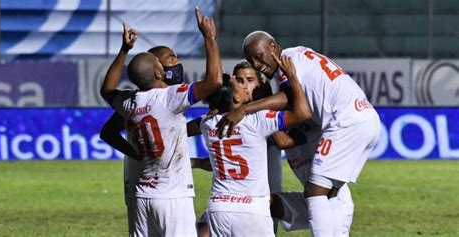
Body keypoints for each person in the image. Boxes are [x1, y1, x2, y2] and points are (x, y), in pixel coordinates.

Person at [216, 31, 381, 237]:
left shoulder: (288, 64)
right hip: (364, 118)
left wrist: (246, 109)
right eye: (251, 60)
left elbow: (288, 100)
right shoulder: (301, 57)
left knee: (316, 192)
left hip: (345, 121)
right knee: (327, 193)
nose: (257, 64)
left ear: (273, 48)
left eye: (258, 56)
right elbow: (285, 131)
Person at [99, 6, 223, 236]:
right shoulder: (170, 97)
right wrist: (209, 38)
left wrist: (124, 50)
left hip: (140, 196)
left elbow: (107, 90)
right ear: (159, 73)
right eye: (167, 61)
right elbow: (214, 80)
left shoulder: (130, 102)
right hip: (172, 196)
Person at [200, 55, 311, 236]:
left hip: (220, 206)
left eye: (249, 80)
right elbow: (301, 114)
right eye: (238, 82)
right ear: (235, 97)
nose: (244, 85)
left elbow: (214, 106)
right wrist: (292, 78)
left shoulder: (208, 123)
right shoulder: (258, 120)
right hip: (252, 208)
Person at [99, 45, 188, 235]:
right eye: (171, 58)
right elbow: (109, 131)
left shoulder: (137, 102)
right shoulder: (160, 98)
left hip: (143, 189)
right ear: (157, 68)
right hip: (160, 189)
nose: (177, 63)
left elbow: (107, 131)